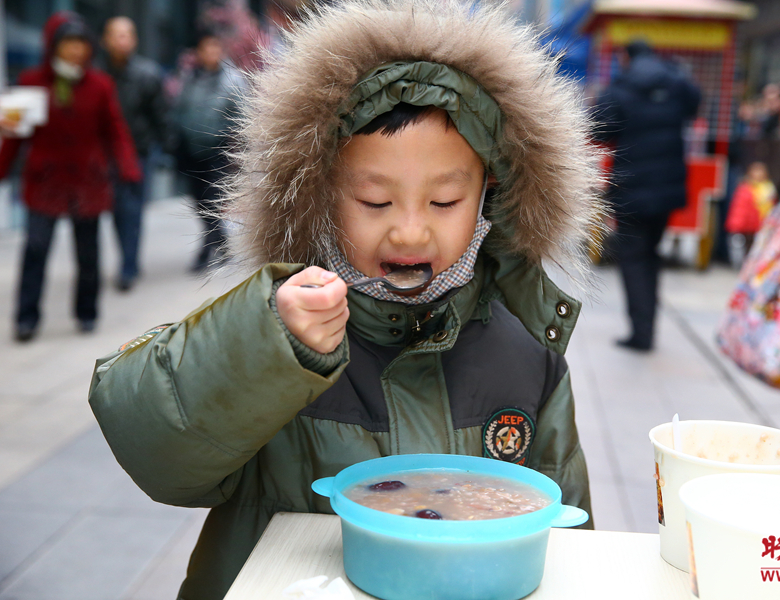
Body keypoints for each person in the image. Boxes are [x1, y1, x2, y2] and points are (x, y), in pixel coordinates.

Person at [88, 1, 601, 598]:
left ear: (489, 195)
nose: (410, 232)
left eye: (443, 203)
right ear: (321, 197)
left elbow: (571, 537)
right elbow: (154, 450)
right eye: (375, 202)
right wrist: (267, 346)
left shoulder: (527, 353)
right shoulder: (280, 330)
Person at [0, 12, 141, 342]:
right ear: (52, 46)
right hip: (44, 181)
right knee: (35, 248)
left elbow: (115, 130)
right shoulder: (32, 82)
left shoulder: (100, 84)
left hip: (87, 182)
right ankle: (26, 318)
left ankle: (87, 312)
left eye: (81, 44)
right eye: (68, 44)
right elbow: (16, 137)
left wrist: (127, 167)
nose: (76, 51)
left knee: (88, 252)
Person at [592, 40, 701, 351]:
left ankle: (642, 333)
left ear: (626, 57)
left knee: (634, 259)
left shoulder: (620, 87)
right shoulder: (678, 82)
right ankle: (647, 327)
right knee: (651, 255)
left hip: (631, 188)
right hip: (668, 187)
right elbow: (694, 106)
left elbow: (600, 130)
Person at [96, 16, 169, 292]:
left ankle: (128, 265)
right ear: (105, 39)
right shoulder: (99, 75)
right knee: (117, 210)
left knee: (132, 209)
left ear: (135, 40)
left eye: (127, 34)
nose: (122, 40)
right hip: (107, 155)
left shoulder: (148, 74)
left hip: (139, 153)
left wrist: (166, 148)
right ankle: (128, 260)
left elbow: (161, 116)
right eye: (116, 34)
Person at [171, 30, 244, 273]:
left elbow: (243, 117)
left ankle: (205, 252)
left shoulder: (233, 80)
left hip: (218, 151)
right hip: (191, 152)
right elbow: (179, 110)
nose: (211, 53)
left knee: (211, 203)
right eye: (206, 48)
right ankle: (222, 243)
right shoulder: (189, 79)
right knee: (199, 201)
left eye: (215, 47)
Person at [724, 161, 776, 266]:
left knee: (758, 247)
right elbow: (738, 209)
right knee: (745, 246)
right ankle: (745, 264)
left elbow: (772, 207)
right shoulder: (745, 188)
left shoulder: (769, 189)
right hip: (746, 225)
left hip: (761, 224)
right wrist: (736, 225)